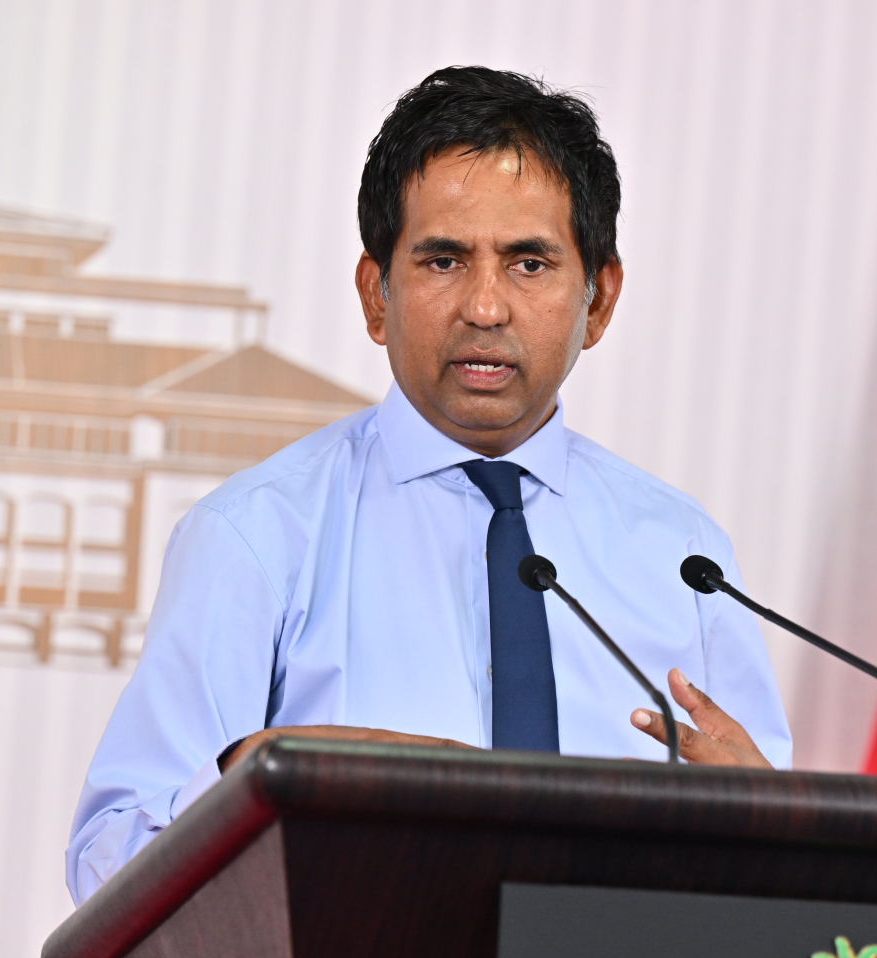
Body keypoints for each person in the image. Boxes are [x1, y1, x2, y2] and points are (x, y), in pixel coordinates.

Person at [66, 66, 791, 905]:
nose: (485, 307)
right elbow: (106, 866)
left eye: (529, 263)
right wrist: (254, 775)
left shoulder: (685, 557)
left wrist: (772, 830)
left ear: (599, 302)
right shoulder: (259, 536)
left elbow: (779, 887)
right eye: (444, 260)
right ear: (376, 296)